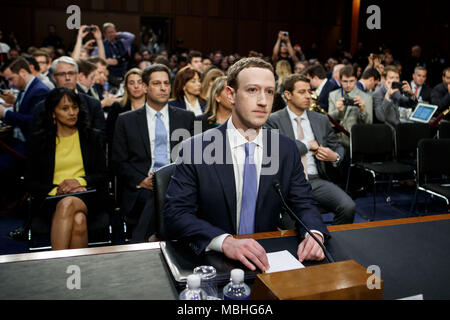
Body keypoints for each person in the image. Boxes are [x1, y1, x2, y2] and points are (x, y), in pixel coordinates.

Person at [164, 58, 330, 271]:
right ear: (230, 95)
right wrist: (224, 241)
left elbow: (304, 203)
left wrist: (313, 233)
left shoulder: (286, 149)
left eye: (269, 92)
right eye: (252, 90)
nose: (263, 101)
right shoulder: (195, 149)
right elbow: (176, 214)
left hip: (267, 259)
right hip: (212, 261)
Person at [112, 64, 195, 242]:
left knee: (164, 192)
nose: (164, 87)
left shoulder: (186, 117)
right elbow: (118, 161)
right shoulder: (126, 120)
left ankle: (141, 243)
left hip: (179, 183)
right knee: (158, 195)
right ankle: (154, 241)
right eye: (157, 83)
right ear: (145, 87)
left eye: (166, 83)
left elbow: (193, 157)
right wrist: (142, 180)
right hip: (141, 187)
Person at [25, 87, 108, 250]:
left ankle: (55, 268)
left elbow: (103, 175)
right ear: (53, 113)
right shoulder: (39, 141)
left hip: (87, 195)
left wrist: (78, 182)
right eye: (65, 108)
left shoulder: (91, 136)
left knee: (67, 204)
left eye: (74, 107)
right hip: (50, 199)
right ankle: (77, 274)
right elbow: (30, 182)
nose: (72, 113)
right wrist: (58, 191)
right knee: (78, 221)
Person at [266, 74, 355, 226]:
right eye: (302, 92)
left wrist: (335, 157)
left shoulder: (320, 119)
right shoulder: (273, 120)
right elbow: (278, 150)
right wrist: (307, 145)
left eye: (310, 91)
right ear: (287, 95)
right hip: (288, 181)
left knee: (348, 207)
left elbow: (337, 145)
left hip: (315, 179)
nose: (308, 96)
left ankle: (335, 243)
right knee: (296, 225)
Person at [32, 56, 106, 138]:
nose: (67, 78)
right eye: (62, 74)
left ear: (77, 76)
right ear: (53, 78)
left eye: (71, 73)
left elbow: (101, 137)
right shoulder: (41, 108)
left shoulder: (93, 104)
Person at [328, 65, 373, 147]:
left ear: (356, 80)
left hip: (356, 141)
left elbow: (369, 124)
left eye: (351, 81)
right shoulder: (333, 95)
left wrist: (362, 110)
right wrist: (339, 111)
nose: (348, 85)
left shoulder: (366, 98)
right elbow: (329, 119)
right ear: (340, 80)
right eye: (345, 81)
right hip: (336, 140)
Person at [106, 68, 146, 150]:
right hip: (124, 154)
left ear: (145, 85)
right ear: (126, 87)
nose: (136, 86)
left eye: (140, 82)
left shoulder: (154, 107)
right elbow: (110, 136)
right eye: (131, 83)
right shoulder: (117, 107)